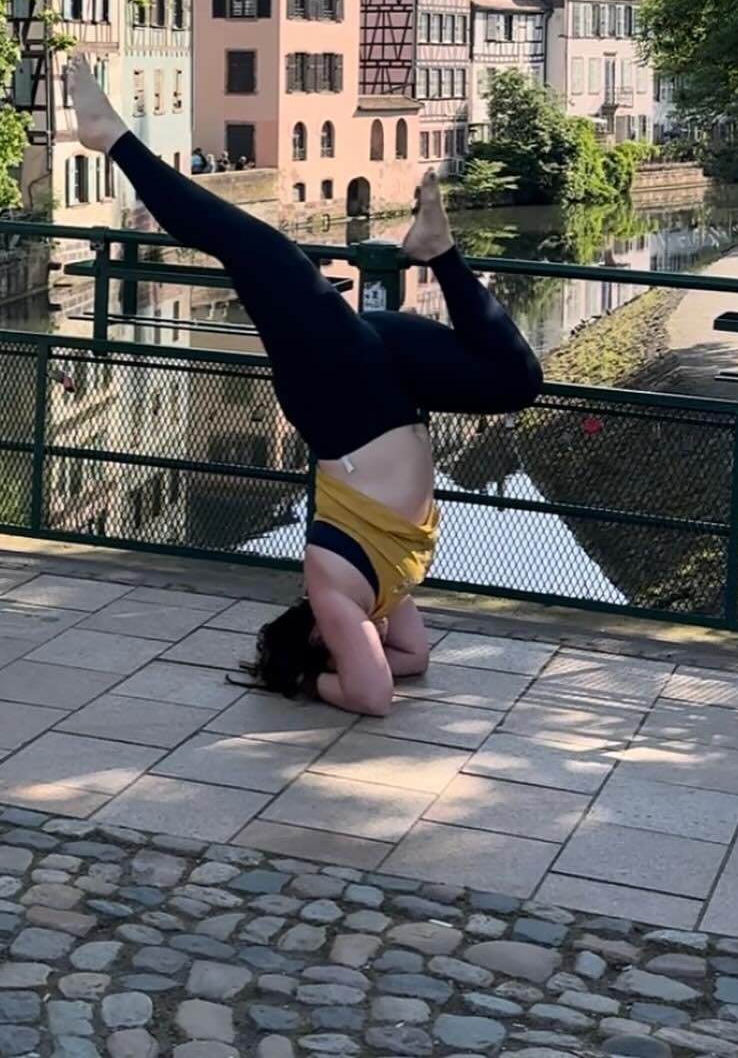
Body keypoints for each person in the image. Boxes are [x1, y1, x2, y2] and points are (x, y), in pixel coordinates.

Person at [64, 53, 543, 717]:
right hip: (385, 390)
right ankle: (439, 254)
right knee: (514, 381)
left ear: (319, 638)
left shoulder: (331, 588)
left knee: (262, 253)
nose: (371, 642)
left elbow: (373, 697)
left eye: (345, 647)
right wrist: (361, 648)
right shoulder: (380, 593)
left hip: (343, 402)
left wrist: (298, 681)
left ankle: (111, 138)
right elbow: (413, 662)